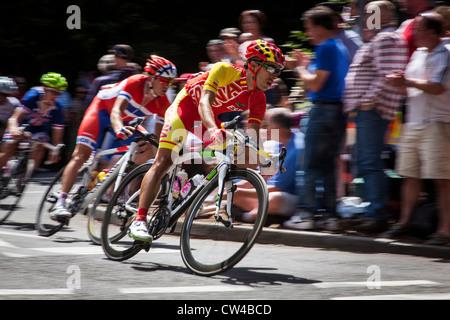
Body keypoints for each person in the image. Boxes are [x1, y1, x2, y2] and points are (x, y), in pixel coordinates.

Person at [128, 39, 286, 242]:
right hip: (186, 108)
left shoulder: (259, 99)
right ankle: (139, 219)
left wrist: (265, 159)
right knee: (164, 161)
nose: (275, 75)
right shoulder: (224, 70)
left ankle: (192, 186)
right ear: (253, 65)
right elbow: (204, 103)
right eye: (271, 68)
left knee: (235, 152)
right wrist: (213, 130)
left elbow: (253, 137)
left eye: (278, 70)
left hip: (206, 120)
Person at [49, 55, 177, 222]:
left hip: (128, 120)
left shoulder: (163, 102)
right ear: (152, 78)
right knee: (81, 155)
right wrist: (119, 129)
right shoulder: (135, 82)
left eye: (171, 82)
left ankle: (113, 178)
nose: (168, 86)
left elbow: (160, 136)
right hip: (102, 111)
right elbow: (117, 110)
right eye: (164, 81)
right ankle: (61, 201)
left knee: (150, 149)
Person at [342, 1, 409, 234]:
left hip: (373, 111)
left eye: (371, 14)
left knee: (370, 162)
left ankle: (376, 215)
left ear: (382, 16)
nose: (365, 17)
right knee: (367, 162)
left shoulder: (387, 38)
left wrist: (366, 102)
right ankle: (373, 211)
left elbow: (387, 75)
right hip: (369, 111)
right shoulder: (381, 37)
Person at [384, 12, 450, 245]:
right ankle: (403, 224)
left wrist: (407, 82)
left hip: (438, 123)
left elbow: (438, 87)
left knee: (442, 179)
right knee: (409, 176)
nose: (414, 33)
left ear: (432, 33)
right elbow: (410, 87)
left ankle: (444, 231)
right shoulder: (419, 54)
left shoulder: (446, 53)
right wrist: (399, 82)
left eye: (419, 28)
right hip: (413, 122)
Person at [283, 6, 349, 231]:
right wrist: (304, 67)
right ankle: (329, 216)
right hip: (337, 112)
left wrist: (300, 68)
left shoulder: (325, 47)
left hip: (322, 112)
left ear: (320, 27)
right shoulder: (339, 47)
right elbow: (322, 79)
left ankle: (306, 214)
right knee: (328, 166)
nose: (308, 32)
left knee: (309, 166)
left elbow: (315, 84)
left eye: (309, 28)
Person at [233, 107, 304, 223]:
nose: (264, 129)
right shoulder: (277, 143)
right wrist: (236, 188)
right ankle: (264, 214)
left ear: (276, 129)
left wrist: (239, 192)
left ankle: (248, 217)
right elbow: (263, 175)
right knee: (234, 191)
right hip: (272, 193)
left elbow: (278, 188)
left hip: (292, 199)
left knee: (274, 198)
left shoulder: (297, 148)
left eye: (266, 126)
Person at [0, 72, 67, 172]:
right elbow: (14, 118)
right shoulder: (33, 96)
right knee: (8, 149)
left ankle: (23, 178)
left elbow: (57, 136)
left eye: (59, 93)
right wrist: (14, 129)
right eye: (54, 92)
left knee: (40, 147)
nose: (56, 96)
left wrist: (55, 150)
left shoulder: (58, 107)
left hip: (37, 130)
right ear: (44, 89)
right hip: (21, 125)